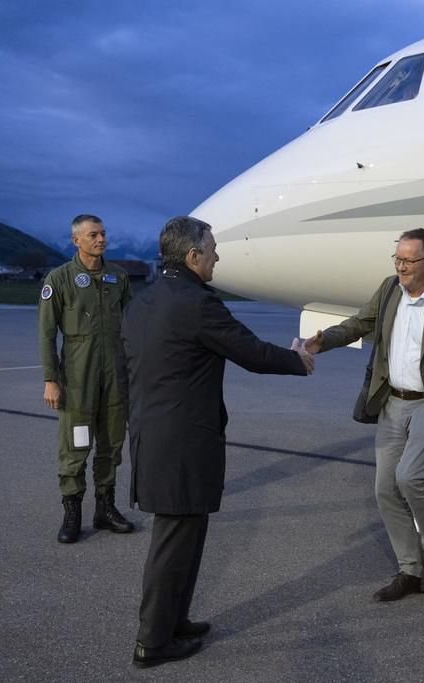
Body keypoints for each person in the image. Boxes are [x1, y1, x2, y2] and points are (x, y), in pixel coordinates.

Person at [121, 216, 314, 669]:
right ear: (192, 256)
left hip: (155, 433)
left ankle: (174, 620)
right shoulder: (196, 303)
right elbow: (248, 350)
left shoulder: (144, 300)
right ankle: (152, 642)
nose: (216, 256)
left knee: (188, 534)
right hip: (183, 441)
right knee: (173, 540)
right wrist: (298, 360)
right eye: (211, 249)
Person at [304, 228, 424, 601]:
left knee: (410, 477)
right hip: (392, 401)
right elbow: (360, 324)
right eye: (397, 259)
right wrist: (324, 339)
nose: (401, 267)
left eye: (408, 261)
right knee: (384, 488)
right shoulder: (390, 290)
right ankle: (409, 569)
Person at [39, 214, 135, 543]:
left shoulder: (118, 277)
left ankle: (105, 509)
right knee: (76, 447)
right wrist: (52, 379)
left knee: (111, 446)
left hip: (115, 380)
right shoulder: (60, 279)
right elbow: (47, 334)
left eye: (103, 233)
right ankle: (72, 512)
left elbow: (133, 329)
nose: (101, 239)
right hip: (77, 381)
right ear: (76, 240)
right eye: (93, 234)